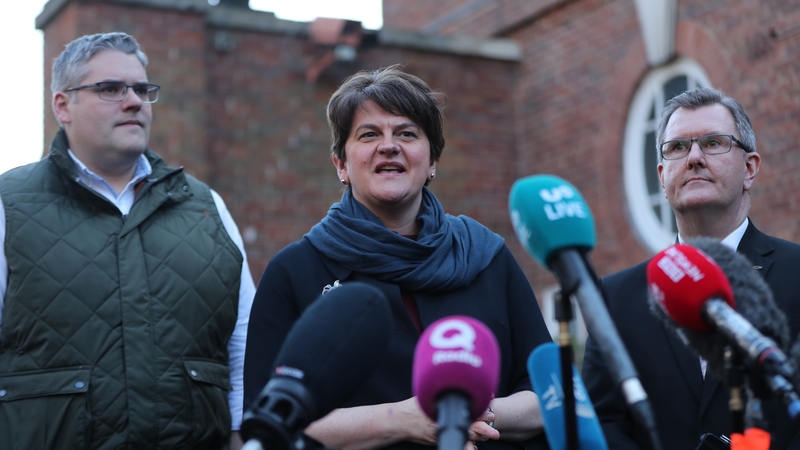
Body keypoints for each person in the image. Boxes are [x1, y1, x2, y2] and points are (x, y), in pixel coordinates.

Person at [244, 65, 551, 450]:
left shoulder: (488, 256)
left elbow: (550, 392)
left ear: (432, 161)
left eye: (406, 133)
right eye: (369, 134)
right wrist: (401, 420)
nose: (389, 146)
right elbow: (266, 418)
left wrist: (469, 412)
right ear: (341, 164)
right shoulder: (295, 271)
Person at [0, 32, 255, 450]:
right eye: (111, 89)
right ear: (63, 105)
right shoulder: (9, 204)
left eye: (142, 89)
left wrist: (242, 435)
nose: (134, 100)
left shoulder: (206, 207)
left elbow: (244, 341)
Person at [581, 88, 800, 449]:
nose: (694, 157)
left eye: (713, 143)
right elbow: (601, 423)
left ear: (749, 168)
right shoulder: (615, 298)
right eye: (678, 147)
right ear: (662, 175)